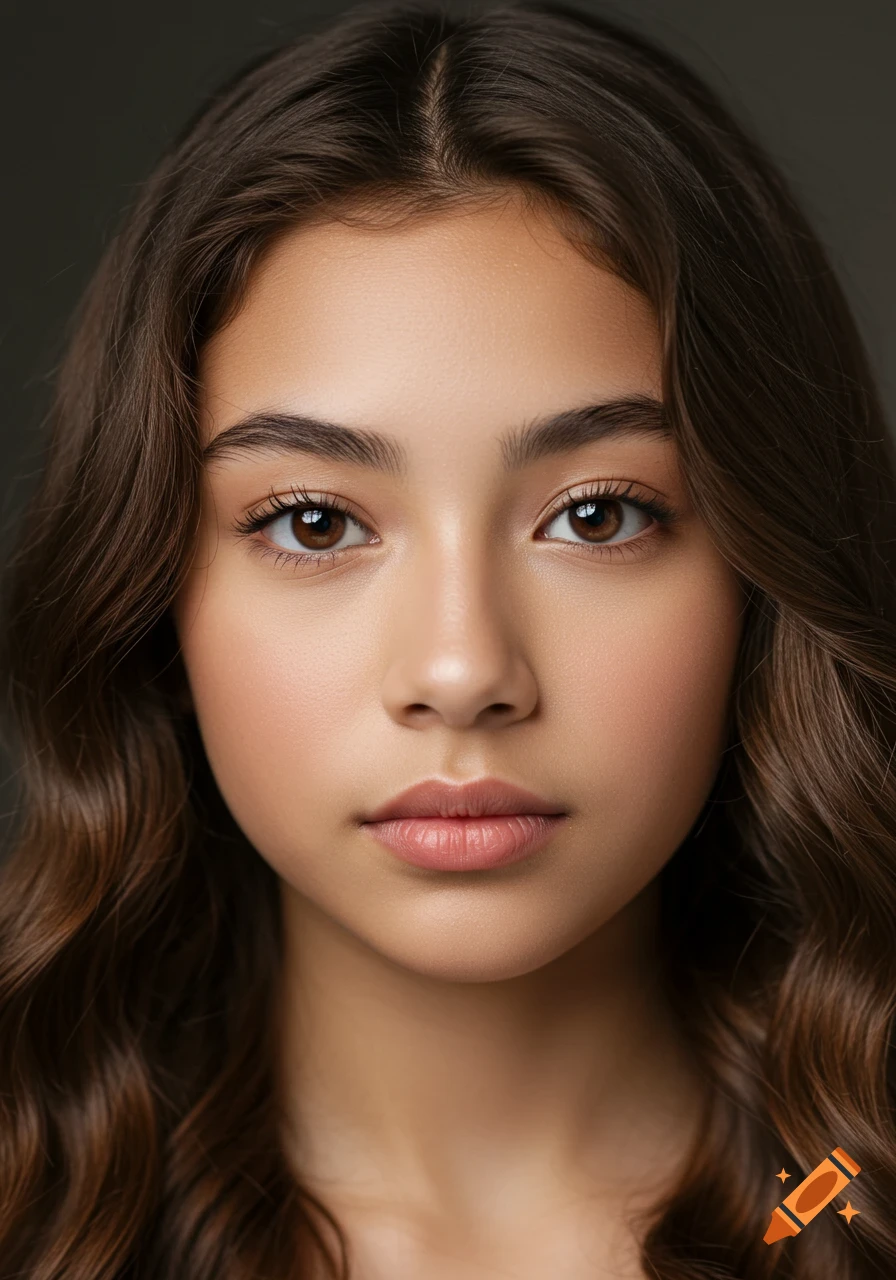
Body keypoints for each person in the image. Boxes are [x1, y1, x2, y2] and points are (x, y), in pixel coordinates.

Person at [1, 1, 894, 1277]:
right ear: (147, 585)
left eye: (596, 514)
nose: (461, 670)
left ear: (762, 575)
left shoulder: (834, 1193)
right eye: (313, 521)